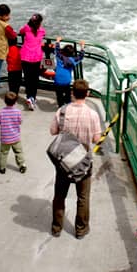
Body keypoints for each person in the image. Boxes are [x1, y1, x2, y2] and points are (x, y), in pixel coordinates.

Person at [49, 79, 102, 239]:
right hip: (83, 163)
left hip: (64, 162)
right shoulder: (92, 115)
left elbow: (53, 131)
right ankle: (81, 229)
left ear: (72, 93)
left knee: (59, 196)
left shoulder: (62, 111)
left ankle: (56, 227)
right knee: (83, 197)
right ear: (87, 94)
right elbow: (96, 138)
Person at [18, 14, 45, 110]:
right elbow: (42, 35)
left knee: (27, 78)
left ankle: (29, 97)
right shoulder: (42, 31)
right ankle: (33, 97)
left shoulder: (26, 28)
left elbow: (20, 31)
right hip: (36, 57)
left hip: (25, 56)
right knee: (35, 78)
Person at [0, 91, 26, 174]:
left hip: (5, 138)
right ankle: (22, 165)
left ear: (5, 101)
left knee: (4, 153)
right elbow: (20, 122)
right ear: (15, 102)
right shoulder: (18, 112)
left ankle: (2, 167)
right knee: (18, 151)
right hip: (15, 137)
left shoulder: (1, 112)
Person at [52, 37, 85, 107]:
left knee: (59, 94)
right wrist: (82, 46)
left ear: (63, 51)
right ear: (72, 53)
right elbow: (81, 56)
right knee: (67, 93)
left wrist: (58, 41)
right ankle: (67, 105)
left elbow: (56, 50)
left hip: (57, 80)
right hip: (67, 81)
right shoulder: (73, 60)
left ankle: (60, 105)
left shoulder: (59, 57)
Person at [5, 26, 22, 96]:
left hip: (11, 69)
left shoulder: (7, 50)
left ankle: (12, 94)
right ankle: (16, 94)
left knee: (11, 84)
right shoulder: (19, 50)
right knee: (17, 83)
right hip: (18, 69)